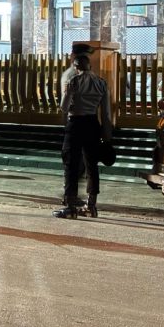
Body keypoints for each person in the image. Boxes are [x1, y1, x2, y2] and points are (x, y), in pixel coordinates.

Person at [54, 54, 112, 219]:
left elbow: (64, 108)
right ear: (90, 66)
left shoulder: (74, 82)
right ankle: (91, 206)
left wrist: (69, 95)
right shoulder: (102, 83)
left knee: (71, 165)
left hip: (75, 125)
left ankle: (70, 207)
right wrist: (107, 136)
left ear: (75, 67)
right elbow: (106, 114)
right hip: (93, 125)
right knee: (91, 166)